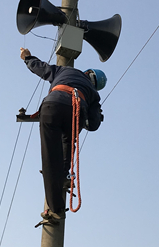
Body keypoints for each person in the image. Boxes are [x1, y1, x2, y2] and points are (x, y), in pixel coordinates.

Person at [20, 47, 106, 222]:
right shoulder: (93, 94)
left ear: (87, 72)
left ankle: (55, 207)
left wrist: (27, 58)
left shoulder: (64, 70)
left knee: (50, 156)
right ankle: (64, 181)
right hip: (77, 109)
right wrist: (90, 118)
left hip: (53, 104)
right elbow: (94, 124)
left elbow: (41, 68)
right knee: (69, 140)